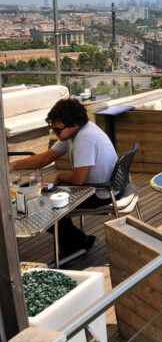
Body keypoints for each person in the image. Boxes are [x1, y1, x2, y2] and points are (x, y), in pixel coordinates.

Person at [9, 98, 119, 255]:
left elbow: (78, 179)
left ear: (74, 125)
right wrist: (12, 166)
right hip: (101, 186)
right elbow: (45, 158)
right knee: (46, 198)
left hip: (102, 192)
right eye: (52, 128)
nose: (54, 133)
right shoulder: (74, 133)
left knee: (44, 207)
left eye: (57, 130)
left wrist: (61, 175)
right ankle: (77, 242)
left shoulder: (84, 138)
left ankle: (79, 244)